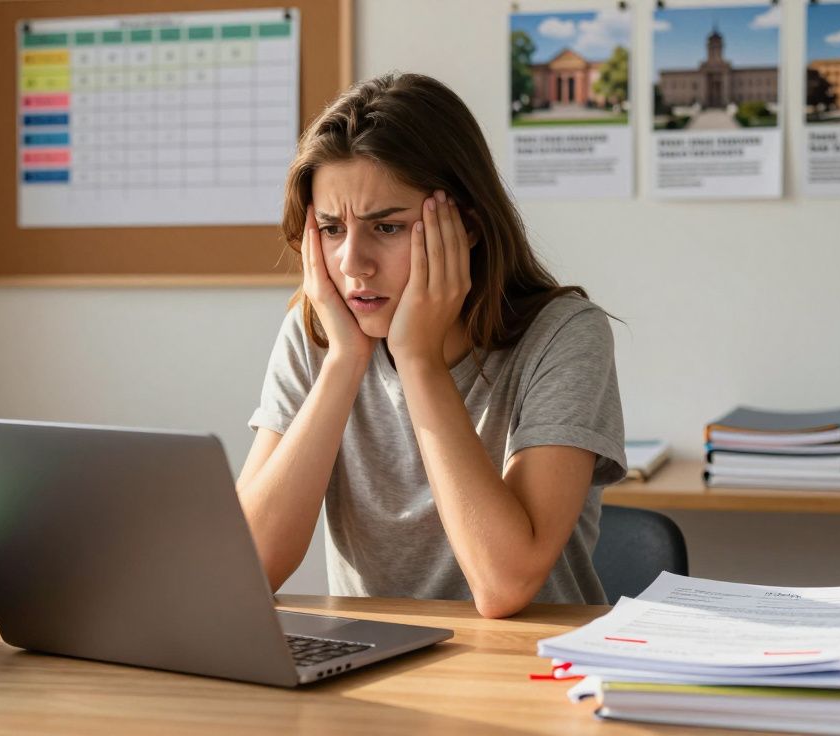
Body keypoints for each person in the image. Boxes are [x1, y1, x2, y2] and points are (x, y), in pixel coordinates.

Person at [236, 72, 626, 619]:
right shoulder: (318, 332)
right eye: (330, 229)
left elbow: (504, 584)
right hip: (375, 671)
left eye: (387, 228)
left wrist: (417, 361)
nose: (352, 264)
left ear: (465, 226)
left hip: (532, 671)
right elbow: (244, 568)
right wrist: (345, 362)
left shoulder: (563, 334)